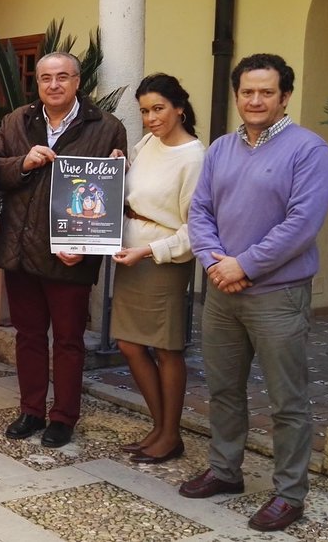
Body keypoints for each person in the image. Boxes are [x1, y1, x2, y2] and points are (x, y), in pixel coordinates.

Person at [180, 54, 328, 532]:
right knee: (224, 389)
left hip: (277, 296)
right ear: (236, 95)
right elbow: (199, 210)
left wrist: (243, 265)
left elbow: (301, 225)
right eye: (247, 92)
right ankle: (226, 471)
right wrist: (214, 262)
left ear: (284, 96)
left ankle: (290, 494)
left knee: (287, 400)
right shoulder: (222, 148)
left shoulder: (309, 151)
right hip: (222, 292)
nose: (255, 100)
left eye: (266, 92)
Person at [0, 52, 127, 448]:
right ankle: (31, 410)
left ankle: (64, 416)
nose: (54, 85)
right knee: (29, 336)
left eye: (63, 77)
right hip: (20, 249)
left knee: (68, 341)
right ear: (37, 83)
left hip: (71, 254)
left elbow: (110, 197)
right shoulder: (16, 121)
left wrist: (86, 246)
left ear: (78, 82)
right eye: (46, 78)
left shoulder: (107, 127)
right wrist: (23, 163)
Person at [110, 74, 205, 464]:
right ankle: (160, 426)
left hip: (162, 262)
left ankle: (170, 434)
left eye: (158, 109)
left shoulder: (195, 157)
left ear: (179, 107)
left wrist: (149, 251)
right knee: (130, 344)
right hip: (131, 255)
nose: (150, 118)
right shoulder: (148, 143)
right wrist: (121, 166)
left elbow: (196, 230)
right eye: (145, 111)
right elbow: (136, 190)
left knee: (167, 349)